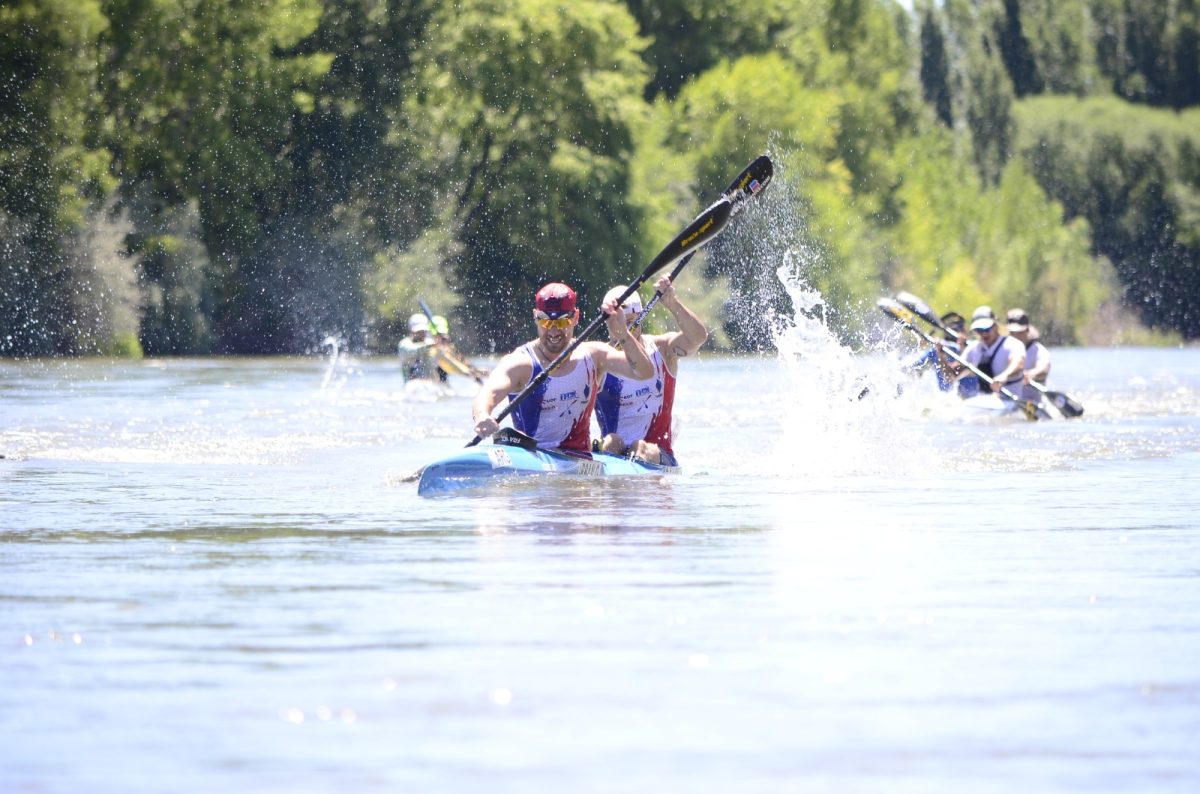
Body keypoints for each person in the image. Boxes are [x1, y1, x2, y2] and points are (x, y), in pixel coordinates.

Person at [472, 282, 653, 453]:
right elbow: (488, 393)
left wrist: (623, 333)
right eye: (545, 321)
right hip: (531, 456)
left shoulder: (594, 356)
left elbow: (645, 372)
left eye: (561, 322)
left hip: (578, 462)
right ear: (535, 316)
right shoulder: (520, 363)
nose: (553, 331)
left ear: (575, 318)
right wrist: (482, 415)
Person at [593, 275, 707, 465]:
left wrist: (672, 303)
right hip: (612, 452)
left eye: (630, 321)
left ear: (641, 316)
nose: (625, 329)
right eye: (618, 324)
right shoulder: (600, 360)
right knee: (613, 441)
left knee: (640, 447)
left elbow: (698, 338)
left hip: (659, 455)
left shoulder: (663, 350)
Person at [958, 305, 1026, 398]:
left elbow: (1018, 364)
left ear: (995, 326)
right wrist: (941, 355)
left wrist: (1004, 376)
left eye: (986, 329)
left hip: (1011, 401)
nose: (983, 334)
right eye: (979, 330)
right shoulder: (974, 348)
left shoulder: (1013, 344)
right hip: (986, 401)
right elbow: (952, 375)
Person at [906, 311, 966, 392]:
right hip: (950, 394)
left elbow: (913, 368)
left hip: (953, 393)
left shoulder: (972, 349)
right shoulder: (938, 347)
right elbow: (915, 367)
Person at [1006, 308, 1051, 402]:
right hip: (1008, 400)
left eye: (1019, 332)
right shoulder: (1004, 349)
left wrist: (1031, 374)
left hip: (1032, 402)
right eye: (1012, 333)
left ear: (1027, 331)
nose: (1016, 336)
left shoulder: (1039, 350)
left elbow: (1044, 368)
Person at [398, 313, 436, 382]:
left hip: (430, 383)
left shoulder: (430, 342)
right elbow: (411, 351)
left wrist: (444, 346)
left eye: (423, 331)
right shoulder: (404, 344)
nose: (421, 334)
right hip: (412, 384)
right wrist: (429, 346)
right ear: (411, 330)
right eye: (418, 332)